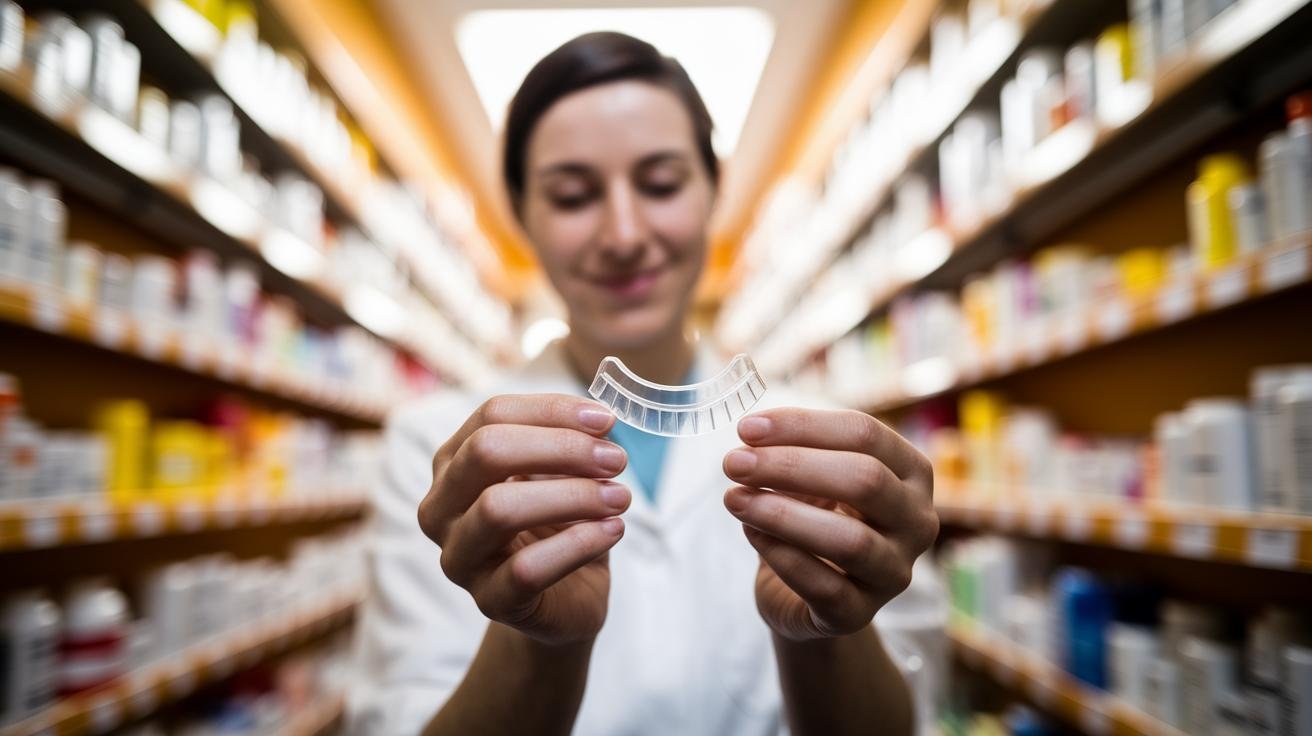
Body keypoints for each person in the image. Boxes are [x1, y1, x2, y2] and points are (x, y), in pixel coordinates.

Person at [347, 31, 945, 736]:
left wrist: (825, 631)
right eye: (572, 196)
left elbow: (907, 720)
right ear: (522, 217)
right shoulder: (438, 448)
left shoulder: (834, 445)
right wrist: (540, 641)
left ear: (713, 189)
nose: (624, 232)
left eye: (661, 184)